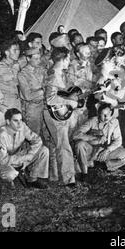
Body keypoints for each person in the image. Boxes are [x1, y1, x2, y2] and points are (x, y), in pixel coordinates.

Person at [43, 47, 77, 187]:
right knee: (63, 145)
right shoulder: (54, 75)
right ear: (63, 59)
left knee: (59, 144)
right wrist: (71, 102)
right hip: (53, 113)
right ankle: (68, 179)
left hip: (57, 113)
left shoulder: (59, 73)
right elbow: (50, 99)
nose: (69, 61)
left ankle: (56, 175)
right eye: (68, 58)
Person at [0, 109, 49, 189]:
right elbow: (3, 160)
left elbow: (37, 140)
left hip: (16, 157)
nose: (19, 123)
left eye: (20, 120)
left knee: (44, 150)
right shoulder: (1, 135)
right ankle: (0, 181)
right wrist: (24, 158)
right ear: (8, 121)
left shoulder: (22, 126)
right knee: (10, 174)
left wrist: (30, 154)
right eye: (15, 120)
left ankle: (32, 179)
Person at [73, 104, 125, 181]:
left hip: (106, 151)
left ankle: (104, 166)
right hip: (91, 151)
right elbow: (76, 135)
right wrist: (94, 137)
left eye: (108, 114)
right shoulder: (92, 121)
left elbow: (118, 140)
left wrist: (107, 150)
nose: (106, 117)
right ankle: (85, 173)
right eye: (103, 115)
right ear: (98, 114)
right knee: (79, 144)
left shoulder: (114, 121)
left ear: (111, 113)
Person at [18, 48, 46, 136]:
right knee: (34, 136)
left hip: (44, 105)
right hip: (32, 109)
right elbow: (28, 96)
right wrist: (43, 90)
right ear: (28, 59)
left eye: (39, 58)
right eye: (36, 59)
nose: (39, 61)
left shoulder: (41, 70)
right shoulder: (22, 74)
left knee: (45, 135)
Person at [0, 39, 21, 110]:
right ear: (7, 52)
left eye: (18, 50)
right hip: (4, 104)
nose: (17, 52)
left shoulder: (16, 65)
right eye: (14, 50)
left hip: (16, 102)